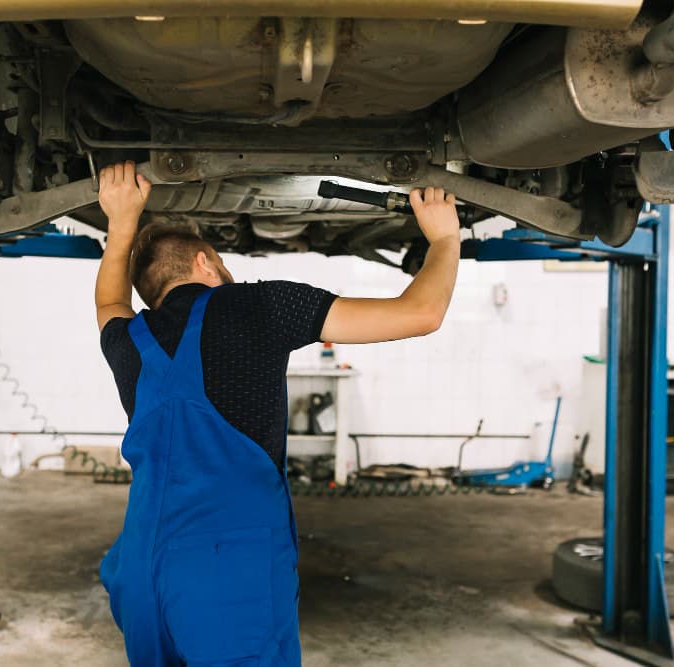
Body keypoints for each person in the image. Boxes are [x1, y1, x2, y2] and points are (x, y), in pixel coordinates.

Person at [95, 161, 460, 666]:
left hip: (137, 573)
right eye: (223, 265)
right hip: (225, 575)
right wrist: (444, 240)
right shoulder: (259, 306)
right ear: (205, 263)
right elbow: (422, 313)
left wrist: (120, 224)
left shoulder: (128, 342)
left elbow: (109, 299)